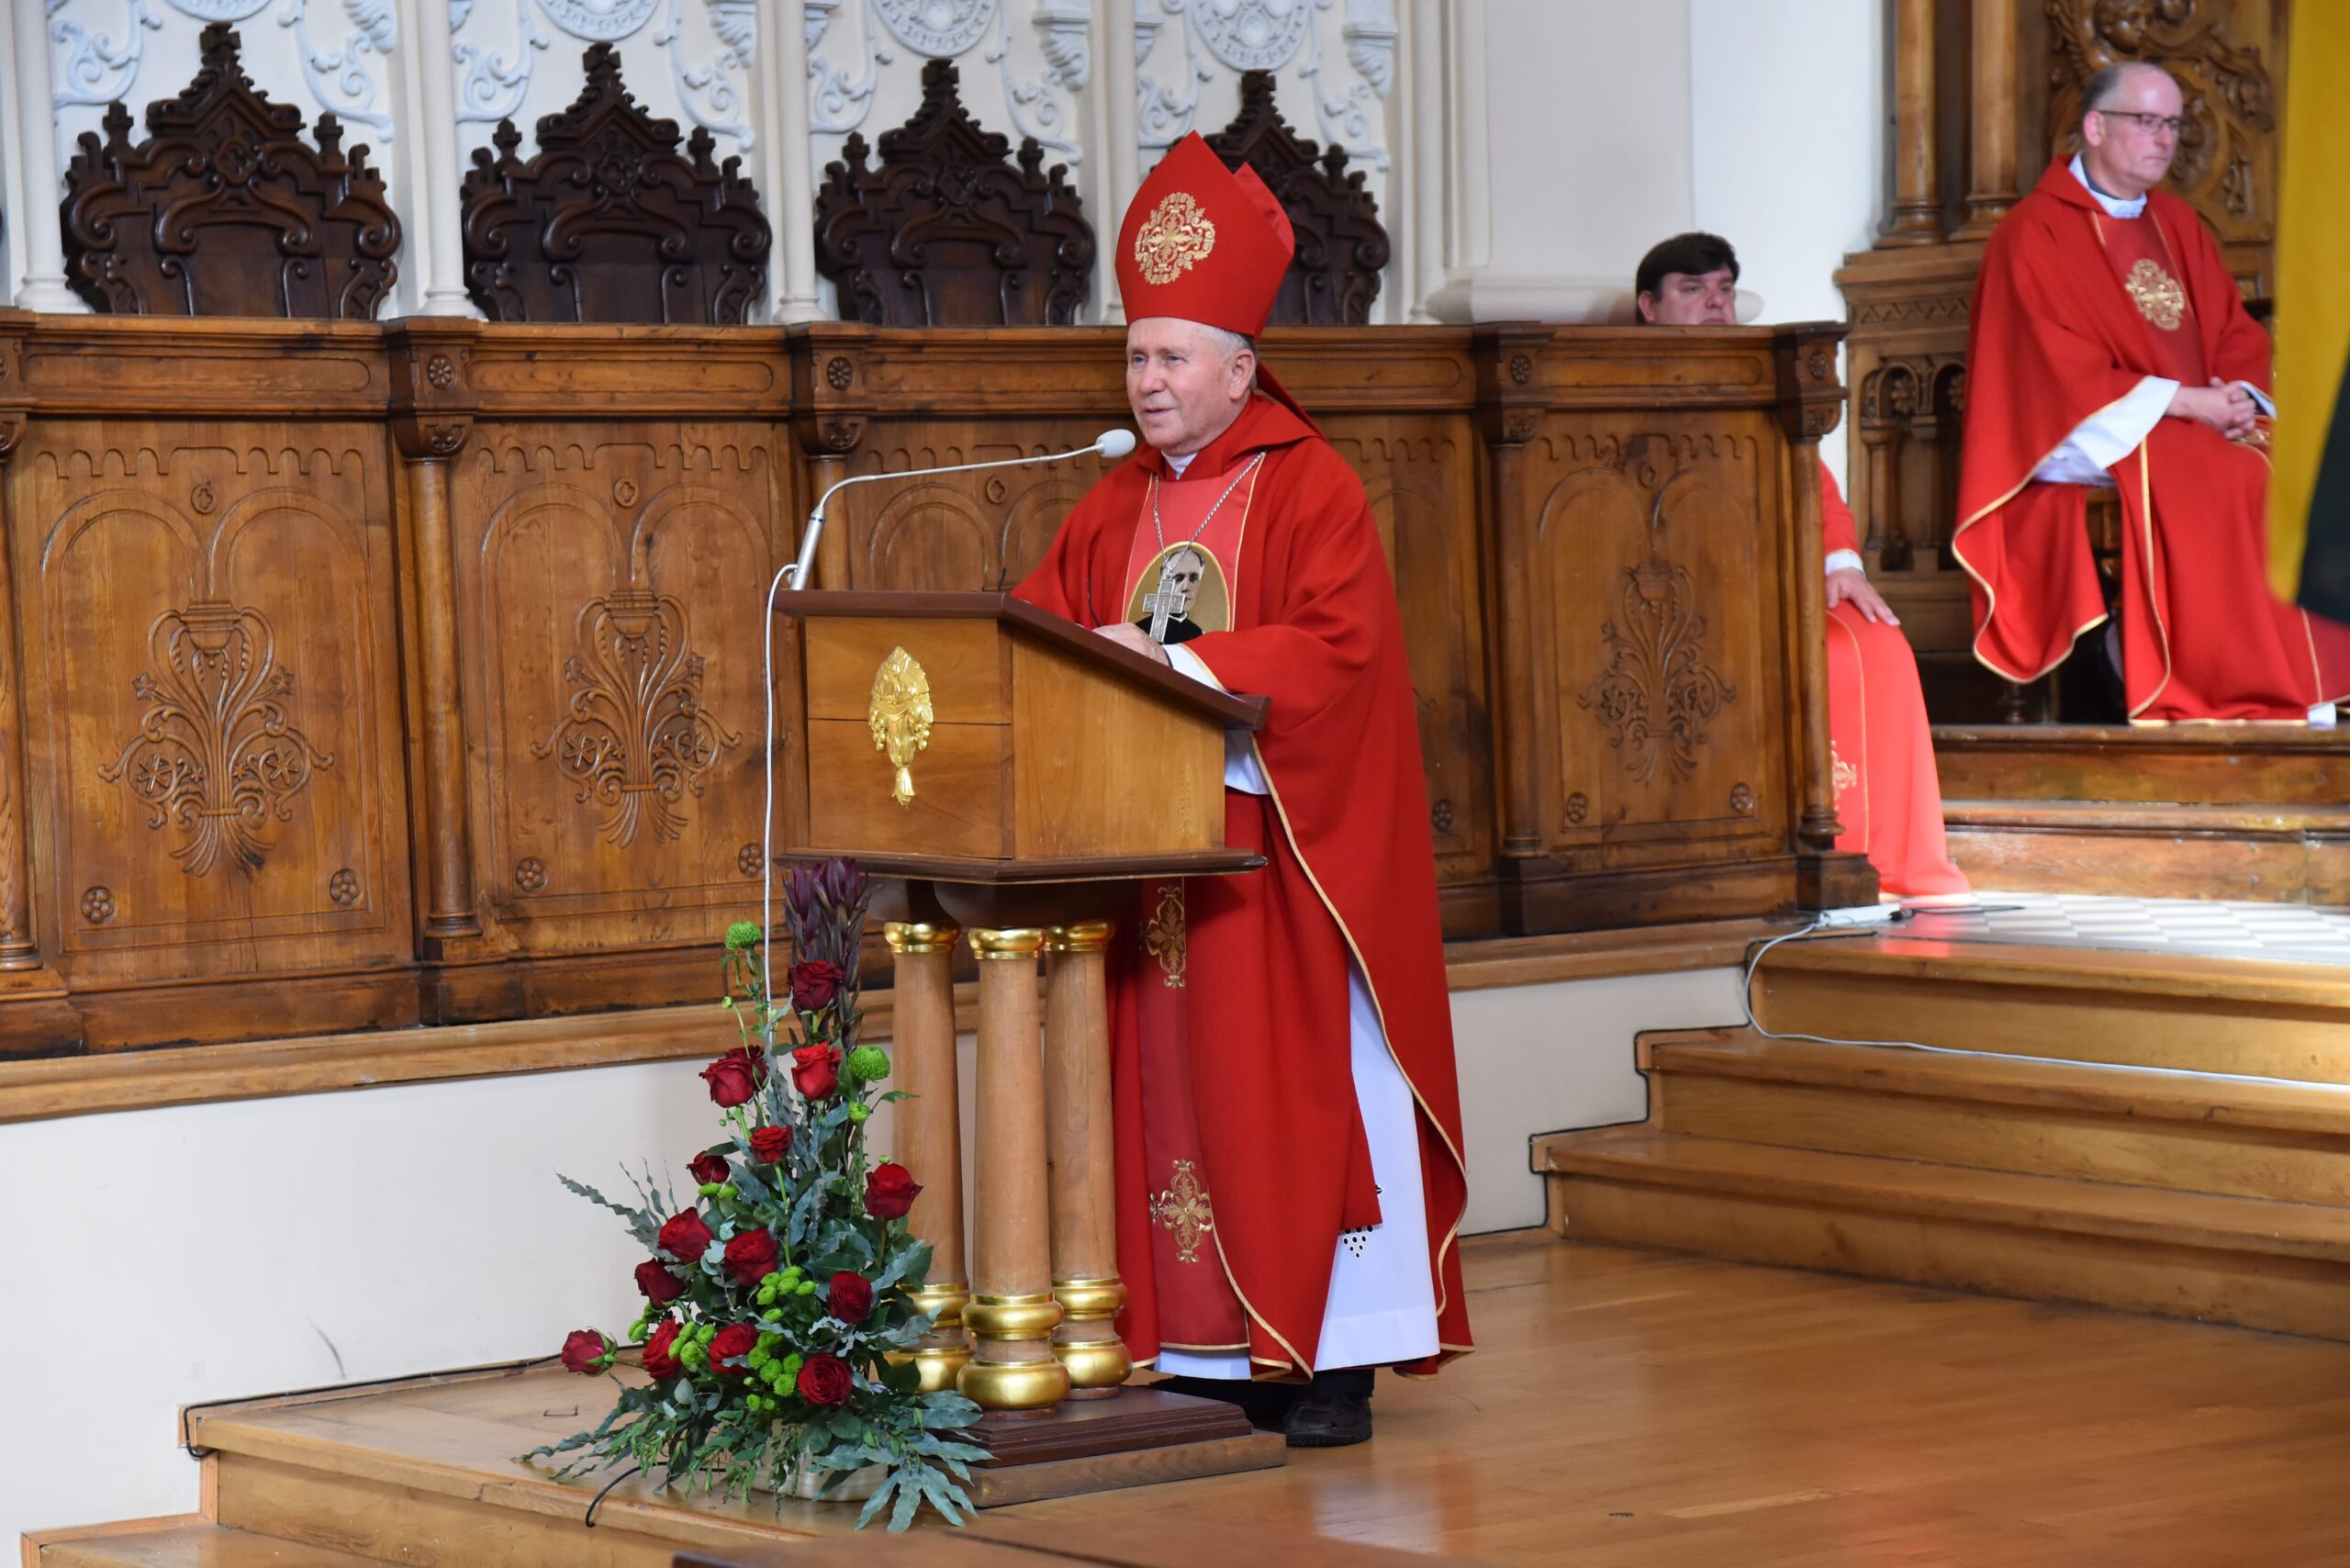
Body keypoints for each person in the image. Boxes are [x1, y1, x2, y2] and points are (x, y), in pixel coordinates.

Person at [1013, 132, 1472, 1448]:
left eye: (1170, 360)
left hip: (1280, 855)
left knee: (1293, 1091)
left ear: (1237, 368)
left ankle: (1333, 1359)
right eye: (1134, 359)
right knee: (1168, 1094)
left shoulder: (1310, 485)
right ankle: (1205, 1349)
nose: (1147, 382)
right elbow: (1038, 638)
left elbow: (1340, 654)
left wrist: (1170, 662)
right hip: (1145, 853)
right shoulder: (1110, 504)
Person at [1956, 60, 2350, 723]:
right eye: (2146, 121)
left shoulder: (2177, 222)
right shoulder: (2033, 231)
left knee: (2310, 461)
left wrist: (2237, 396)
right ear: (2095, 127)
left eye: (2172, 123)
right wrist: (2186, 402)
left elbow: (2232, 330)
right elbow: (2052, 368)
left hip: (2194, 416)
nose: (2165, 138)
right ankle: (2215, 675)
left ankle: (2314, 678)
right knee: (2232, 476)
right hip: (2082, 428)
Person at [1635, 232, 1968, 902]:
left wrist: (1842, 563)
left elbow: (1813, 481)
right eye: (1693, 290)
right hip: (1684, 588)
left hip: (1776, 580)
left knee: (1881, 644)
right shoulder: (1624, 384)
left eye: (1724, 290)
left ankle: (1893, 860)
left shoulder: (1762, 373)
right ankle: (1821, 853)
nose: (1715, 303)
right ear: (1649, 305)